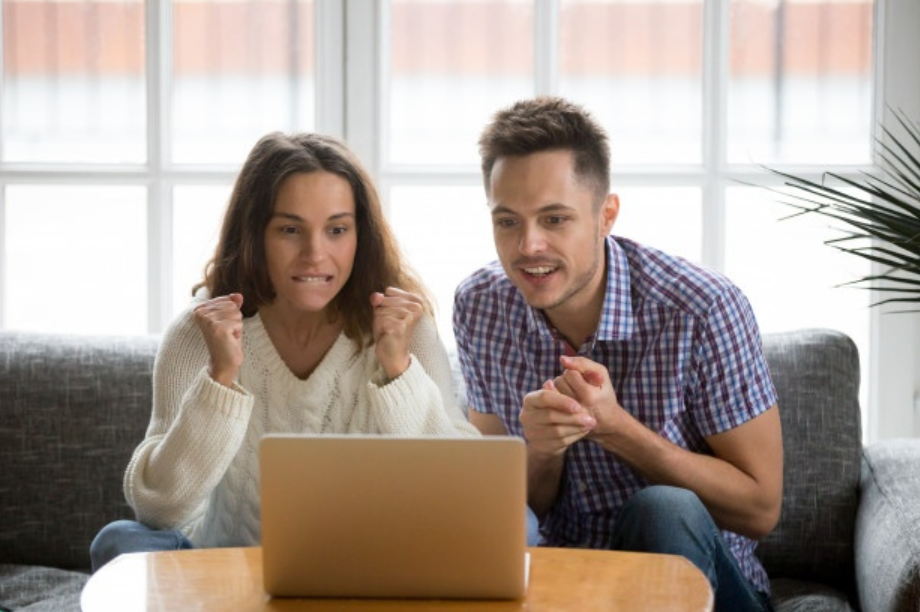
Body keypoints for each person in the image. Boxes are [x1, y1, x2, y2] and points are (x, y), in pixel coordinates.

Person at [90, 132, 478, 572]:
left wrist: (398, 371)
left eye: (337, 230)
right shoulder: (197, 332)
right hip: (225, 573)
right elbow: (158, 509)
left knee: (517, 527)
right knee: (118, 543)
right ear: (255, 233)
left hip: (371, 570)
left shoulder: (406, 329)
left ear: (359, 236)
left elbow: (461, 496)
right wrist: (220, 379)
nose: (315, 254)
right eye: (290, 230)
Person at [452, 97, 782, 612]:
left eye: (555, 219)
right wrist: (541, 450)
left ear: (606, 215)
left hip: (709, 592)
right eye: (508, 221)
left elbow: (761, 509)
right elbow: (513, 509)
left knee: (662, 509)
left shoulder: (702, 309)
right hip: (563, 587)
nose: (528, 246)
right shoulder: (480, 308)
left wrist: (615, 428)